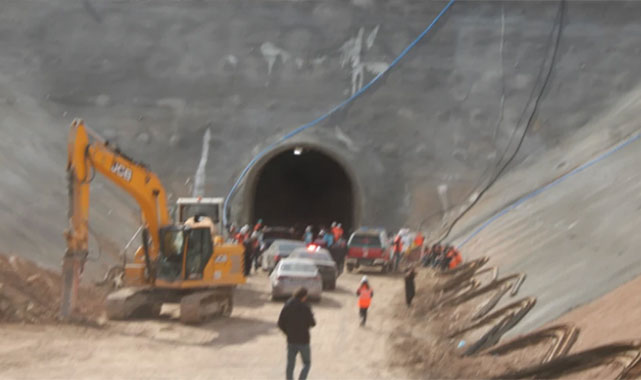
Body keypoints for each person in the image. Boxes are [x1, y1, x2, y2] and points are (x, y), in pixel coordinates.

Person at [278, 287, 316, 380]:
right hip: (304, 340)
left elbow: (280, 323)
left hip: (291, 340)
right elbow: (313, 323)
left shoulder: (287, 305)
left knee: (290, 364)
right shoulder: (306, 307)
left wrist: (287, 332)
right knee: (307, 363)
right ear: (303, 296)